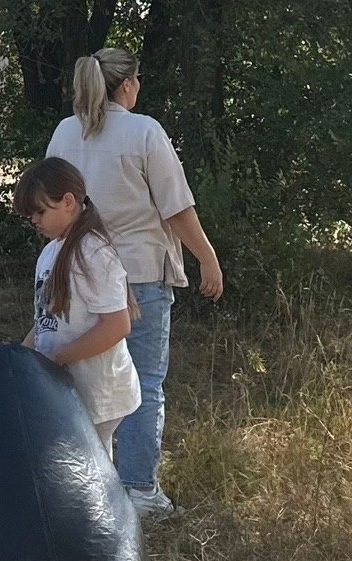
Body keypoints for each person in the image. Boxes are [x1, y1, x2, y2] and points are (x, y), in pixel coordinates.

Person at [48, 49, 225, 518]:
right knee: (143, 381)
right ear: (127, 85)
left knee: (81, 375)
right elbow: (176, 207)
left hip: (75, 271)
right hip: (139, 273)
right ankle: (139, 490)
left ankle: (85, 482)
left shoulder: (66, 132)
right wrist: (207, 258)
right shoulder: (144, 130)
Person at [13, 157, 140, 455]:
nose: (35, 220)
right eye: (30, 215)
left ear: (69, 202)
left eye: (41, 211)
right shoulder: (50, 253)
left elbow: (117, 325)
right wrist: (21, 358)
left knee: (93, 479)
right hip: (66, 389)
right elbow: (46, 318)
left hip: (97, 392)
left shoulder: (94, 253)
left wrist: (58, 358)